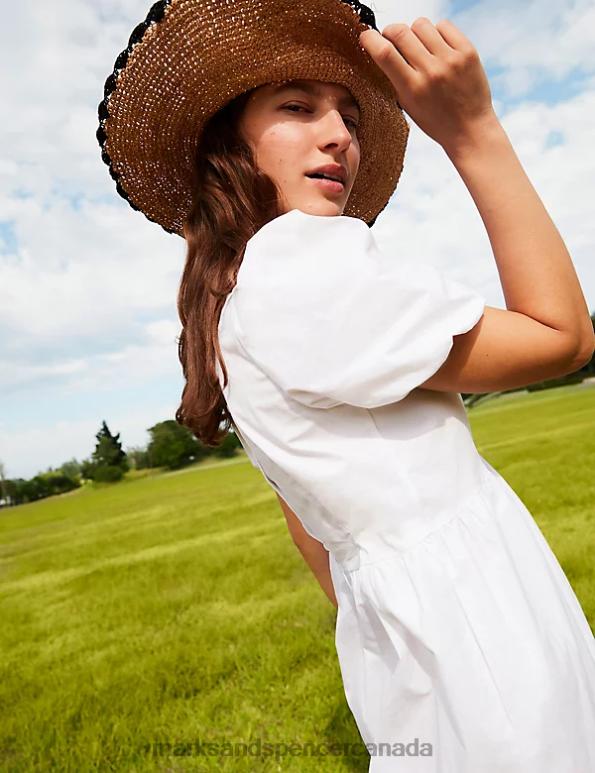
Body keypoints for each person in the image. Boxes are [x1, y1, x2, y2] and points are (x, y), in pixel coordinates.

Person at [97, 1, 595, 770]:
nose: (339, 136)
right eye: (296, 108)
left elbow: (305, 524)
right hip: (477, 619)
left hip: (397, 635)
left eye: (350, 118)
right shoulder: (305, 263)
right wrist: (474, 134)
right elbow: (561, 334)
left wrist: (397, 605)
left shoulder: (228, 306)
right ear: (228, 141)